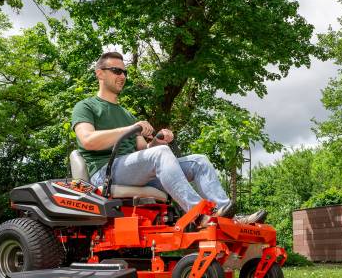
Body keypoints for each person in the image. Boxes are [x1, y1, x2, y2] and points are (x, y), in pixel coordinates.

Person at [71, 51, 266, 225]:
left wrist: (157, 141)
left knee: (199, 161)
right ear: (100, 73)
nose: (122, 76)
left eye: (124, 72)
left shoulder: (127, 114)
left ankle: (229, 218)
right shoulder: (86, 106)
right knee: (161, 154)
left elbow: (143, 152)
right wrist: (132, 128)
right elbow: (88, 140)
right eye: (116, 71)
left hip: (134, 172)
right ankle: (200, 214)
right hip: (105, 173)